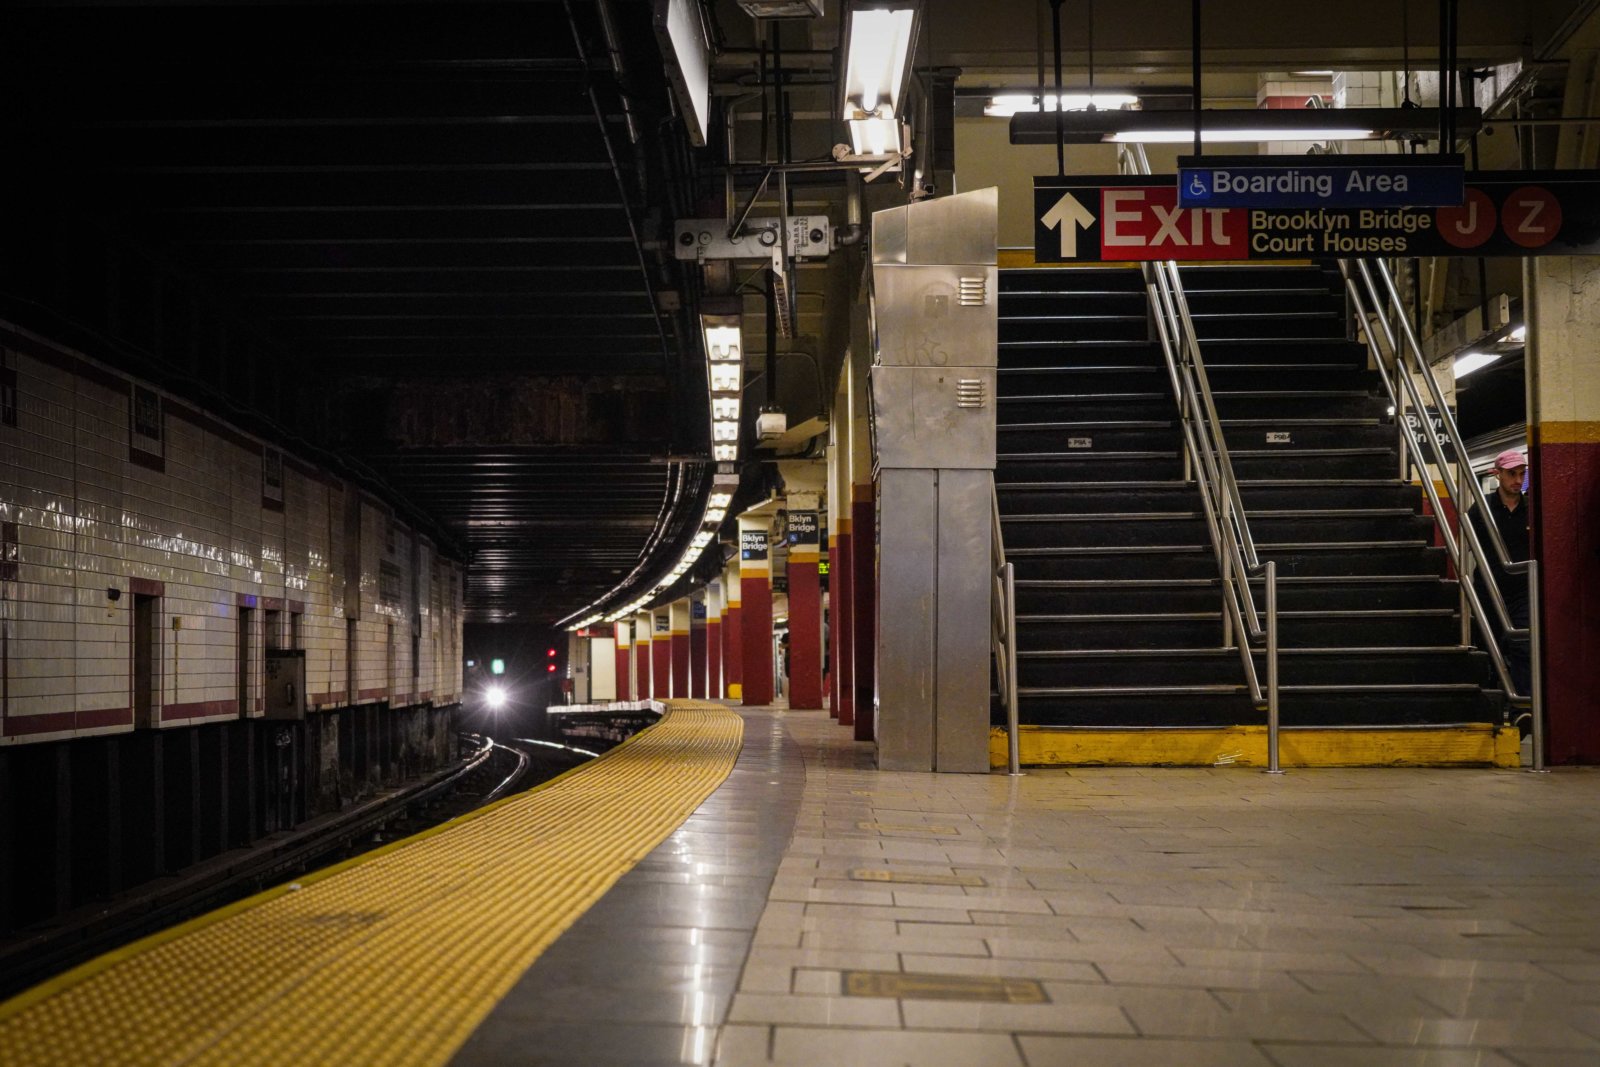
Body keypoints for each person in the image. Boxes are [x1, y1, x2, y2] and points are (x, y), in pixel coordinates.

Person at [1468, 448, 1531, 726]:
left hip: (1522, 590)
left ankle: (1522, 709)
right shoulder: (1481, 509)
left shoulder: (1531, 509)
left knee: (1523, 645)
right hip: (1489, 589)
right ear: (1498, 474)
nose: (1518, 480)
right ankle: (1491, 710)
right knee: (1488, 647)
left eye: (1521, 474)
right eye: (1511, 474)